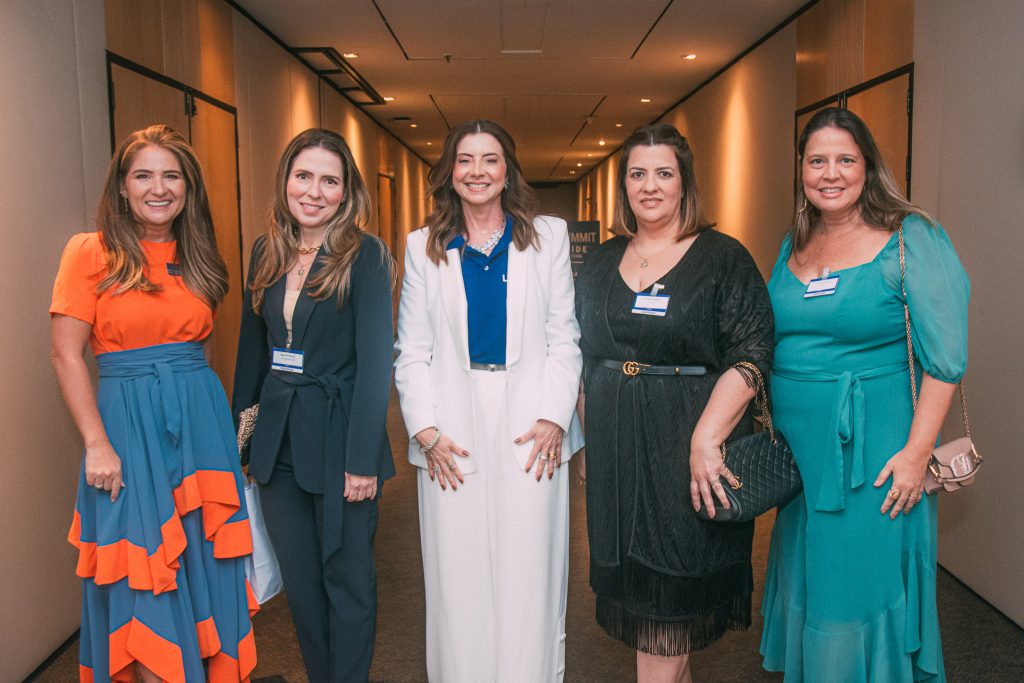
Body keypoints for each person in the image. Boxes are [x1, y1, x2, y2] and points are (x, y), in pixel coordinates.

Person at [759, 107, 970, 681]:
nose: (830, 173)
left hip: (874, 455)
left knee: (853, 586)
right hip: (801, 460)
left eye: (845, 160)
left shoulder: (911, 237)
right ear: (801, 170)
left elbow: (946, 361)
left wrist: (915, 455)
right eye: (816, 161)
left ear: (868, 166)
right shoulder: (794, 242)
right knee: (814, 577)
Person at [50, 124, 256, 682]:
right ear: (122, 186)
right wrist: (96, 444)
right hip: (127, 429)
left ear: (189, 188)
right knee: (144, 569)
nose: (158, 188)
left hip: (201, 426)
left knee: (204, 563)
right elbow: (66, 355)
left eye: (172, 176)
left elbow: (201, 348)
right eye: (143, 175)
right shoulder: (89, 251)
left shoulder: (199, 255)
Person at [574, 123, 774, 683]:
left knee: (672, 601)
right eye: (637, 174)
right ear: (624, 185)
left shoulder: (722, 258)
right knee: (647, 606)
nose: (650, 186)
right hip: (616, 457)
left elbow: (753, 353)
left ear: (685, 182)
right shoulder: (601, 261)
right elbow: (583, 356)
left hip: (689, 449)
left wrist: (707, 439)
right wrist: (588, 438)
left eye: (664, 173)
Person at [394, 119, 582, 682]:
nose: (477, 171)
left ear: (508, 170)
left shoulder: (547, 237)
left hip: (533, 422)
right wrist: (425, 430)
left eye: (490, 159)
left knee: (530, 568)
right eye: (465, 160)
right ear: (449, 172)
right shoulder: (423, 246)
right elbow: (411, 351)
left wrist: (554, 417)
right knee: (457, 571)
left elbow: (564, 336)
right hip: (450, 426)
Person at [231, 128, 394, 682]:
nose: (314, 191)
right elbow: (251, 357)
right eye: (304, 176)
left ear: (347, 191)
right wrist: (241, 446)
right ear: (285, 181)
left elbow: (375, 363)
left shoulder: (365, 256)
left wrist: (362, 461)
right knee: (302, 588)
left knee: (346, 582)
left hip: (340, 437)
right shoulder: (267, 251)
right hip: (277, 444)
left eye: (330, 180)